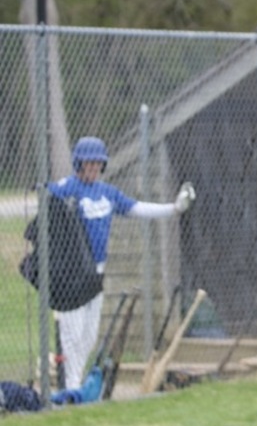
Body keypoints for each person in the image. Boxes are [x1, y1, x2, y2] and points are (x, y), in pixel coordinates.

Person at [45, 136, 195, 391]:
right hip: (72, 274)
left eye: (96, 165)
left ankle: (75, 386)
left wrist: (173, 209)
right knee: (72, 333)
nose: (92, 169)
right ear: (78, 164)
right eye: (87, 164)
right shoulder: (68, 188)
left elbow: (137, 208)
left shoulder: (107, 193)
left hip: (96, 274)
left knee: (89, 335)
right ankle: (72, 389)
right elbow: (45, 198)